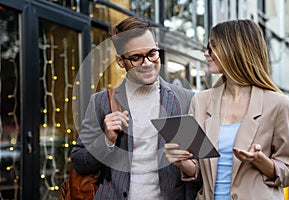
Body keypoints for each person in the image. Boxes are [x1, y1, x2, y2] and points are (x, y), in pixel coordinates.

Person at [164, 19, 289, 200]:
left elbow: (288, 172)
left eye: (212, 47)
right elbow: (198, 171)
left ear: (233, 50)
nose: (206, 53)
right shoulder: (200, 101)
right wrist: (181, 162)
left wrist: (260, 160)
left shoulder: (278, 104)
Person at [70, 16, 200, 199]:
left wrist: (184, 164)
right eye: (136, 58)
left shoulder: (186, 99)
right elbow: (79, 162)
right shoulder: (101, 102)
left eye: (152, 53)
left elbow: (202, 168)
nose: (147, 63)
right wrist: (107, 140)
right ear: (120, 61)